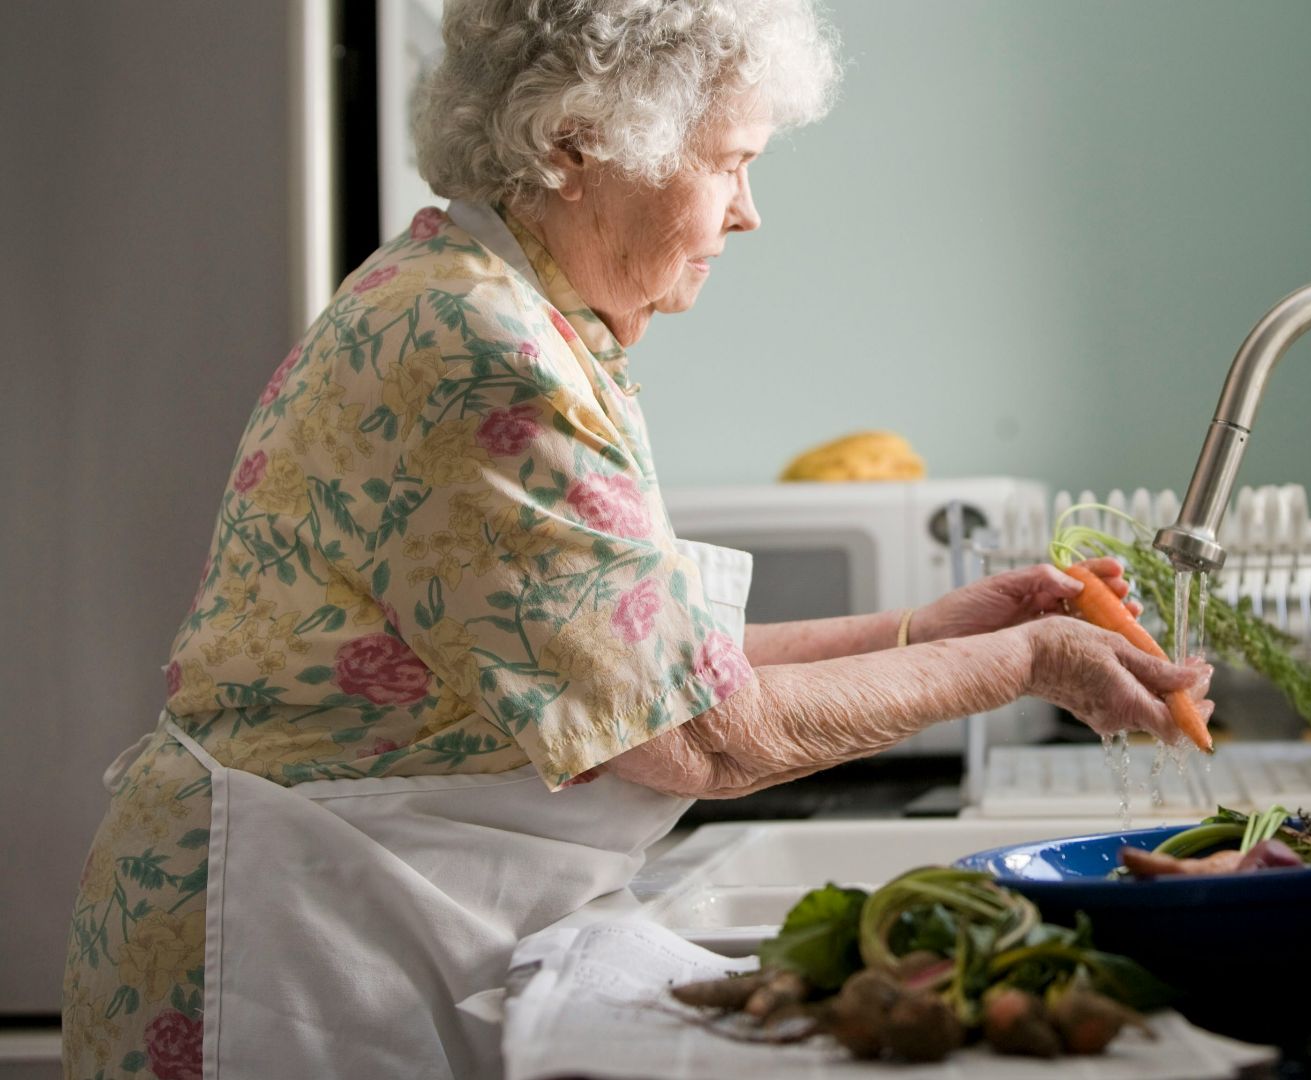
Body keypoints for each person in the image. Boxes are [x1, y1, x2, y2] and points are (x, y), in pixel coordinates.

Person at [61, 1, 1213, 1076]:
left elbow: (649, 669)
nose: (749, 211)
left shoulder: (491, 308)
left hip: (357, 909)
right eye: (730, 163)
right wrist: (1024, 661)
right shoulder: (480, 351)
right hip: (288, 948)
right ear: (576, 144)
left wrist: (934, 627)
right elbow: (702, 739)